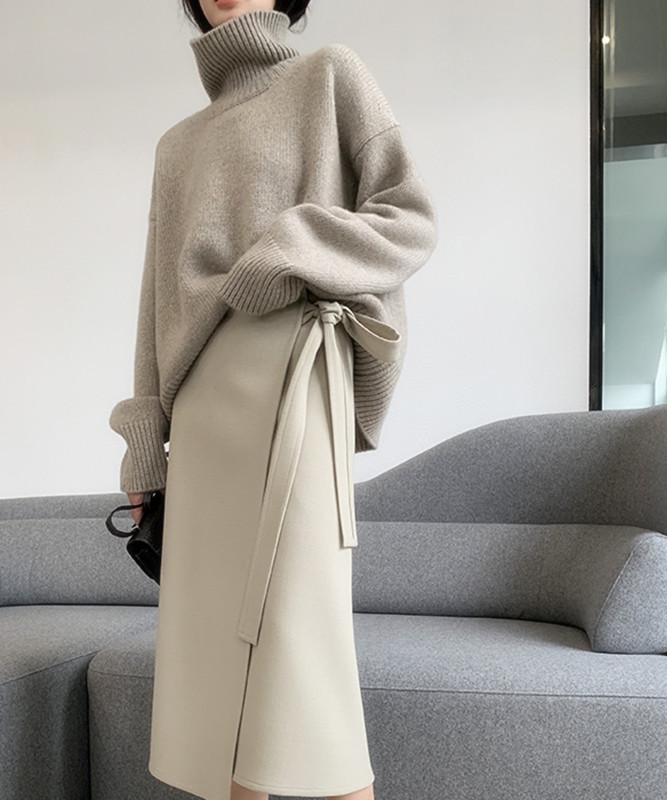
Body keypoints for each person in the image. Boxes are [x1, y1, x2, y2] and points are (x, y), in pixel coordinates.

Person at [107, 1, 438, 799]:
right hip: (204, 413)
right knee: (219, 700)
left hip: (296, 383)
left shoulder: (330, 76)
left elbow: (409, 217)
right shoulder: (177, 145)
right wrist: (145, 443)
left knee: (309, 677)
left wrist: (292, 246)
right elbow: (158, 303)